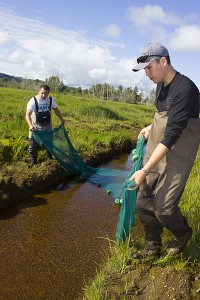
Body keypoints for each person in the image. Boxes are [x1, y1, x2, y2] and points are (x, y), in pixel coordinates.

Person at [129, 42, 200, 258]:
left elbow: (172, 135)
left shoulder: (185, 89)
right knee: (143, 199)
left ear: (164, 61)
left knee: (164, 208)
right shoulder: (160, 83)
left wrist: (144, 169)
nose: (147, 74)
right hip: (158, 147)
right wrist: (151, 127)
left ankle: (184, 233)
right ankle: (153, 247)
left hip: (177, 151)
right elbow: (165, 116)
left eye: (149, 68)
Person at [25, 84, 65, 167]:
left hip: (47, 125)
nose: (44, 96)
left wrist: (62, 119)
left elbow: (56, 110)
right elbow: (27, 115)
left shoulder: (51, 100)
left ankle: (49, 158)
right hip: (35, 126)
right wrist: (30, 125)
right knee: (33, 144)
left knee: (49, 142)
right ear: (39, 91)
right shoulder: (33, 101)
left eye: (46, 94)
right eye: (42, 93)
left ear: (48, 93)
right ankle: (33, 161)